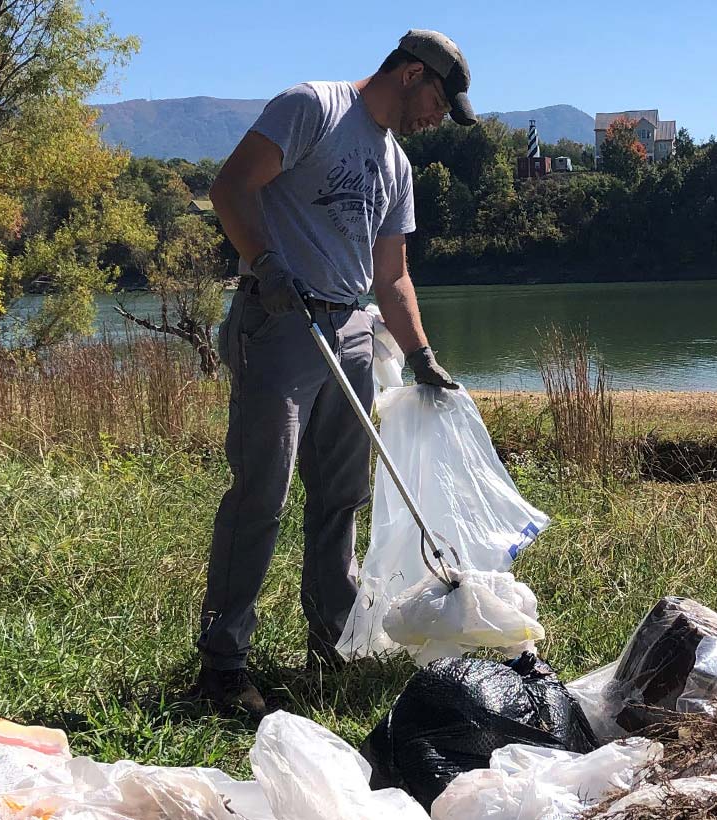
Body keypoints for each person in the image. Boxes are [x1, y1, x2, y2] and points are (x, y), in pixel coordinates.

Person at [194, 29, 475, 714]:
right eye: (438, 101)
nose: (436, 119)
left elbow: (393, 275)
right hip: (280, 320)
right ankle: (222, 667)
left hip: (351, 331)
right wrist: (265, 262)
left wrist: (420, 355)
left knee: (341, 495)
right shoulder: (312, 107)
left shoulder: (397, 164)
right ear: (411, 75)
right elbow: (230, 188)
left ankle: (332, 640)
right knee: (262, 493)